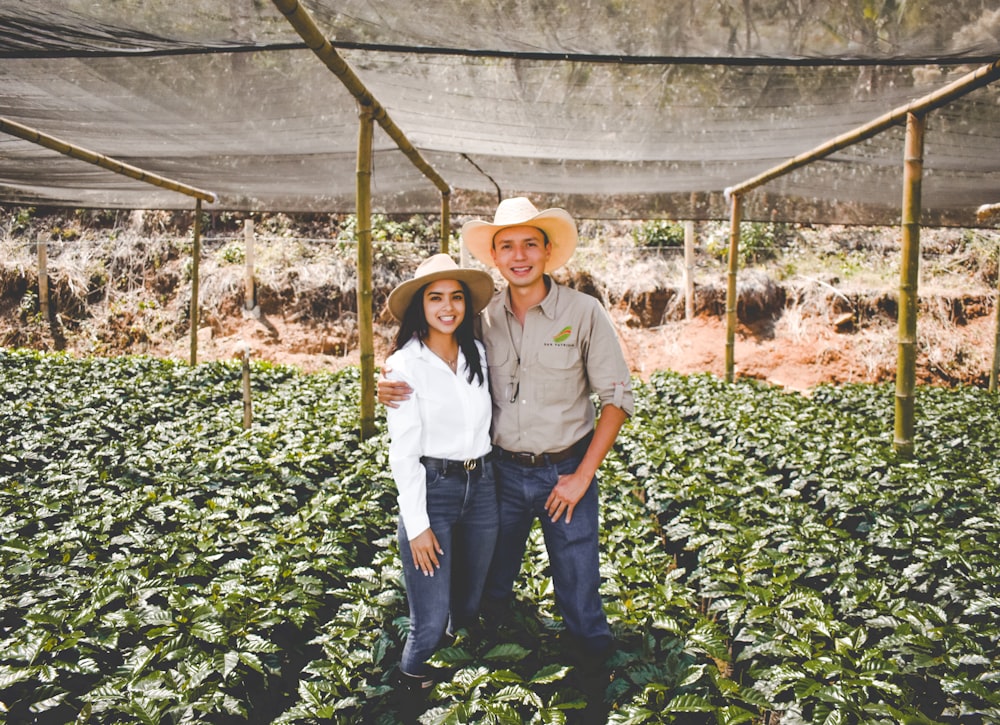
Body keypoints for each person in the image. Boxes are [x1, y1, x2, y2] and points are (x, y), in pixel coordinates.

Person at [380, 198, 634, 670]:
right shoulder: (482, 319)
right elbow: (433, 346)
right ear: (494, 258)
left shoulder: (583, 313)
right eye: (507, 247)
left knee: (580, 592)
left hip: (565, 473)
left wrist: (582, 476)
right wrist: (391, 380)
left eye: (529, 245)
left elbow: (617, 400)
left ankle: (596, 685)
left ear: (547, 251)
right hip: (498, 476)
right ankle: (484, 678)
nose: (519, 256)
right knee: (491, 585)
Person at [382, 253, 499, 703]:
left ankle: (455, 696)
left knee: (467, 608)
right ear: (421, 306)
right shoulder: (405, 365)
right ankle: (408, 698)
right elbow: (404, 453)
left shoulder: (479, 354)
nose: (447, 307)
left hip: (483, 489)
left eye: (456, 297)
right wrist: (419, 526)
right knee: (428, 623)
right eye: (436, 298)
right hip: (436, 491)